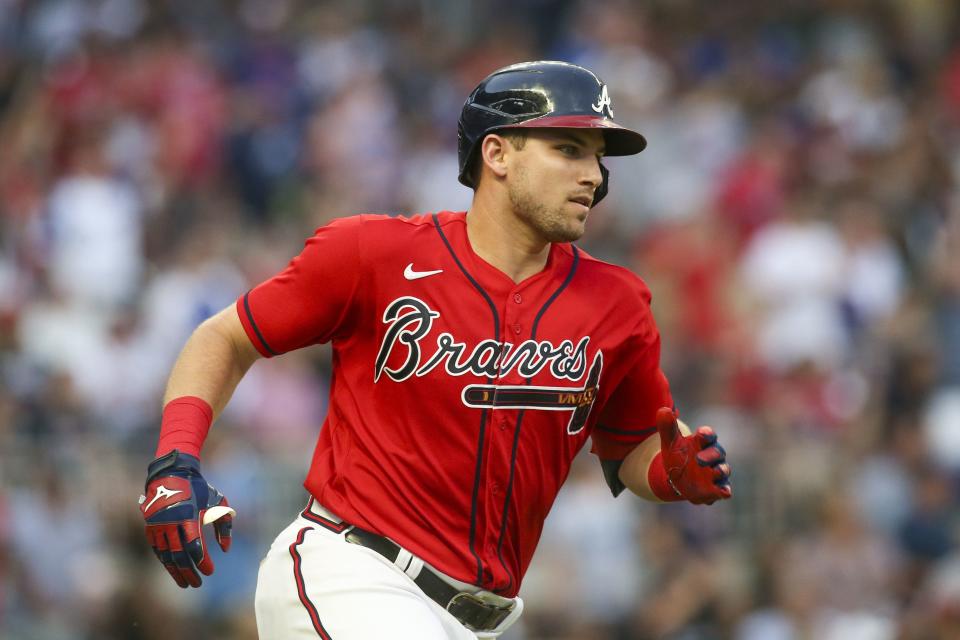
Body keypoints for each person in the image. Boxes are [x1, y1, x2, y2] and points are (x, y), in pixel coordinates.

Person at [138, 60, 732, 640]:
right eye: (569, 149)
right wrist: (174, 460)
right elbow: (226, 336)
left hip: (477, 617)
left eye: (598, 158)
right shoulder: (374, 253)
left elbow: (633, 445)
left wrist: (672, 473)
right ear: (496, 154)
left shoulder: (617, 302)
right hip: (352, 571)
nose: (594, 176)